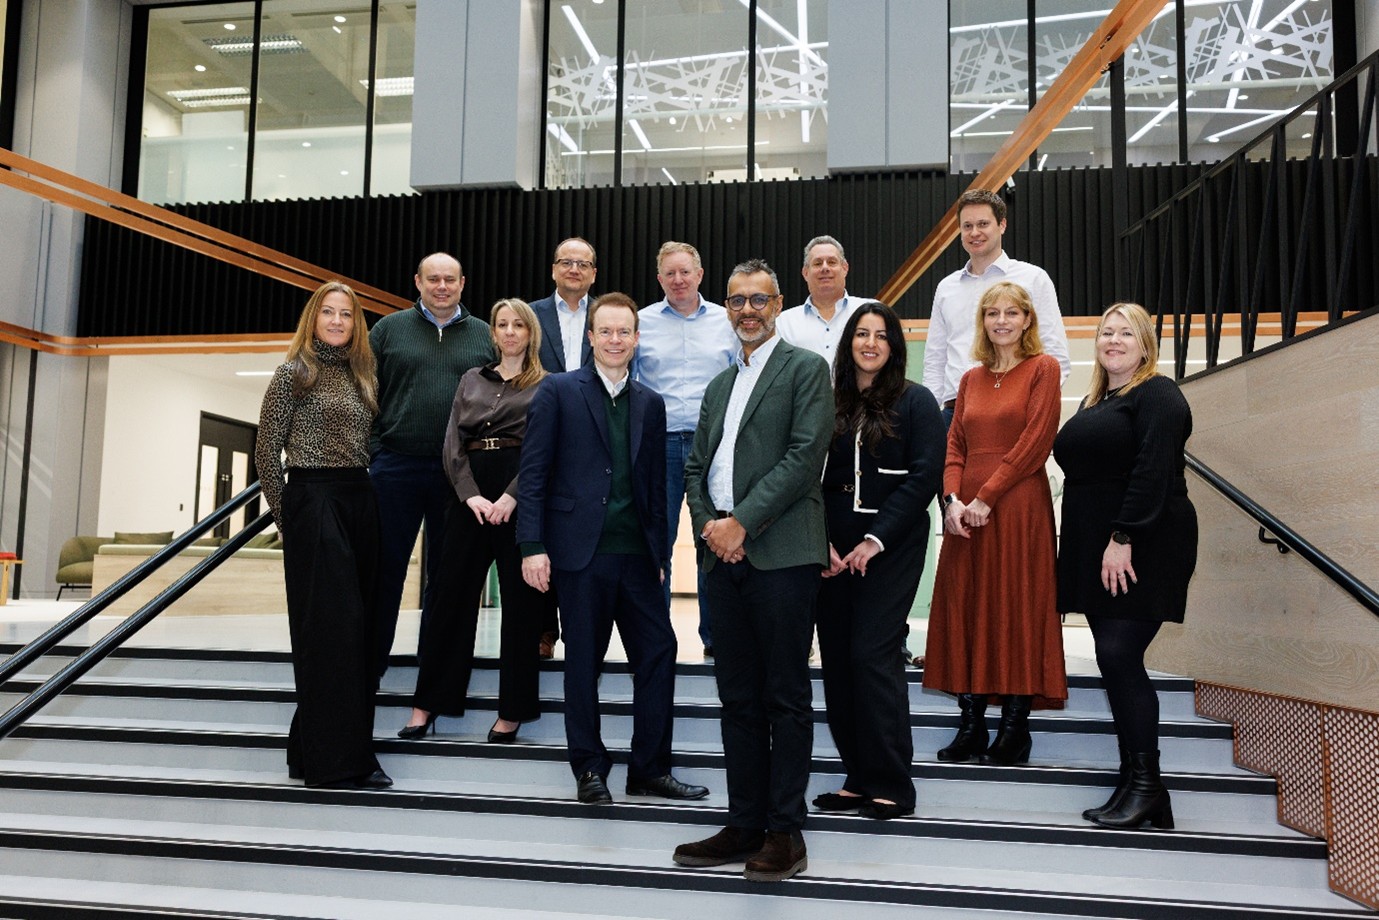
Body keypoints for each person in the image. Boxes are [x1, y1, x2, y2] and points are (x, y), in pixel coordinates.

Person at [674, 259, 833, 883]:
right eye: (737, 301)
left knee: (785, 696)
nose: (746, 311)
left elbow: (803, 458)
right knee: (736, 697)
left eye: (758, 300)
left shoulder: (805, 370)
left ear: (778, 303)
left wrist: (743, 522)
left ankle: (784, 831)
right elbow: (694, 468)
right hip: (723, 558)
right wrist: (714, 528)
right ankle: (743, 822)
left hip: (782, 554)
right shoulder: (719, 385)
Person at [516, 292, 708, 806]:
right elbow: (532, 475)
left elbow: (654, 487)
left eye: (626, 332)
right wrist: (532, 545)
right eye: (607, 331)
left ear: (636, 338)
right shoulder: (558, 391)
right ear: (591, 336)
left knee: (660, 653)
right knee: (583, 662)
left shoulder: (651, 402)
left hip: (638, 558)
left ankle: (649, 769)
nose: (616, 339)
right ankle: (589, 768)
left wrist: (663, 557)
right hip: (580, 556)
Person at [1054, 302, 1197, 831]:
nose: (1113, 340)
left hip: (1142, 543)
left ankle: (1146, 787)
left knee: (1118, 653)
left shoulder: (1156, 393)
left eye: (1125, 333)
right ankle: (1135, 785)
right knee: (1112, 657)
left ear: (1145, 344)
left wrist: (1124, 536)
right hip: (1099, 546)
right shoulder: (1098, 401)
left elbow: (1153, 468)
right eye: (1105, 332)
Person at [923, 280, 1067, 766]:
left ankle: (1014, 730)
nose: (1001, 320)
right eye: (991, 313)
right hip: (966, 514)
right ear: (982, 322)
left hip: (1018, 504)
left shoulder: (1043, 369)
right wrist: (952, 501)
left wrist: (987, 496)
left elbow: (1036, 441)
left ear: (1028, 319)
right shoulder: (969, 379)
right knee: (967, 607)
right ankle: (970, 726)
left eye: (1012, 312)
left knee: (1016, 607)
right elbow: (955, 446)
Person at [255, 281, 391, 789]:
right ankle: (342, 762)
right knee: (333, 634)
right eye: (328, 312)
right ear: (313, 318)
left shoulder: (363, 375)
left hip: (360, 499)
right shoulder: (294, 373)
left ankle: (309, 750)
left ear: (356, 325)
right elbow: (266, 452)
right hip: (313, 499)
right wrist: (289, 521)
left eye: (347, 315)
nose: (337, 321)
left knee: (358, 634)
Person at [814, 302, 945, 821]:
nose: (870, 343)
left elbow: (924, 478)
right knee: (840, 661)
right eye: (861, 334)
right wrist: (821, 540)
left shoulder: (917, 401)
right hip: (830, 551)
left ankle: (893, 783)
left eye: (881, 335)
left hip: (888, 547)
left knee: (872, 655)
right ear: (849, 343)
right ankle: (857, 777)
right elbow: (810, 476)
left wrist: (874, 539)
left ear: (894, 345)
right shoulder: (828, 401)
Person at [397, 299, 548, 745]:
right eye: (502, 324)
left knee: (521, 607)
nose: (509, 332)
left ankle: (513, 712)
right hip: (469, 495)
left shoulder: (548, 386)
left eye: (518, 324)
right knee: (448, 598)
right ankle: (428, 704)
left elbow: (544, 450)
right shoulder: (471, 379)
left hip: (519, 490)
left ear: (530, 332)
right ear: (493, 333)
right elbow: (452, 443)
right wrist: (472, 496)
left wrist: (511, 498)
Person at [369, 253, 496, 676]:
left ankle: (437, 667)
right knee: (384, 570)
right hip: (395, 467)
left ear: (463, 284)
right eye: (433, 279)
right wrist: (373, 451)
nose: (442, 286)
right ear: (417, 282)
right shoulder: (388, 330)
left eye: (450, 280)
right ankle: (370, 663)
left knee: (448, 578)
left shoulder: (484, 335)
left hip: (458, 475)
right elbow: (364, 392)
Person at [634, 241, 737, 658]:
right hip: (657, 444)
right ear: (660, 279)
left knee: (710, 541)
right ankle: (656, 638)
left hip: (710, 446)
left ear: (699, 275)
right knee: (655, 542)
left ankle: (715, 639)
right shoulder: (640, 323)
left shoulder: (726, 321)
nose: (678, 280)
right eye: (669, 274)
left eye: (685, 272)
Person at [923, 189, 1070, 427]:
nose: (974, 232)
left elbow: (1055, 353)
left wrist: (1036, 408)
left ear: (1002, 225)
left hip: (1012, 410)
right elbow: (935, 359)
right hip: (953, 414)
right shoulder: (946, 288)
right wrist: (929, 417)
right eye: (967, 226)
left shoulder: (1033, 279)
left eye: (983, 224)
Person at [528, 237, 599, 659]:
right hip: (541, 434)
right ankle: (542, 630)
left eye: (583, 263)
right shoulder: (530, 316)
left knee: (582, 534)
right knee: (542, 531)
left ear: (594, 272)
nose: (574, 269)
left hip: (594, 440)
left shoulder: (606, 314)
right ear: (554, 269)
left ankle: (580, 629)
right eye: (566, 262)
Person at [776, 235, 861, 366]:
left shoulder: (869, 311)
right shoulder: (783, 323)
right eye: (817, 263)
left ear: (845, 268)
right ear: (805, 273)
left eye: (832, 262)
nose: (825, 268)